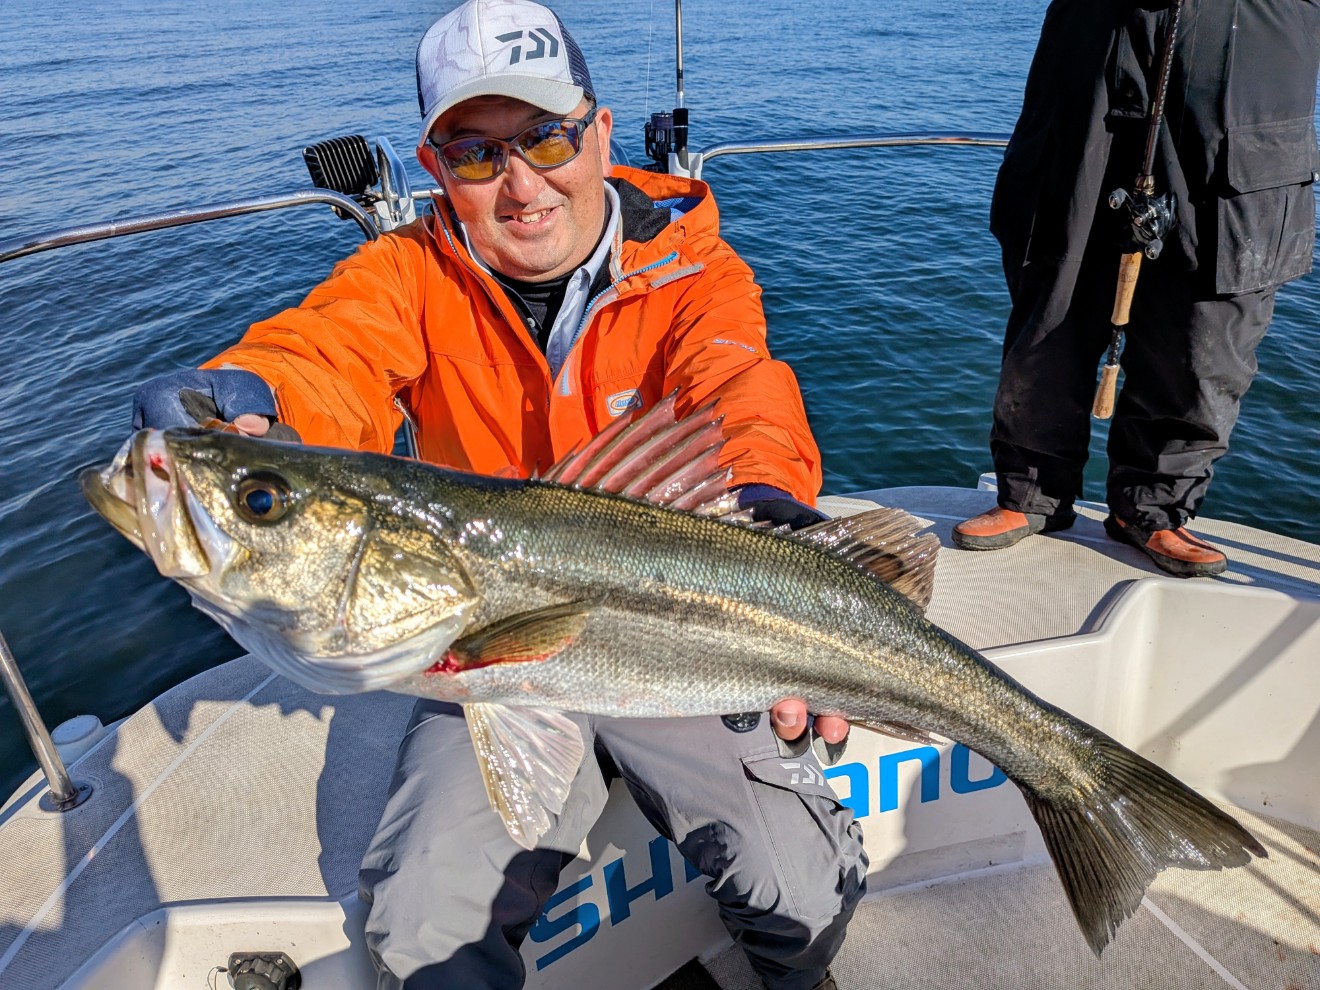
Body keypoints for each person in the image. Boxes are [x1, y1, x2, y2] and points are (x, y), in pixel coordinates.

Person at [130, 1, 864, 987]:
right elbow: (328, 356)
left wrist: (766, 502)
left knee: (803, 891)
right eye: (476, 154)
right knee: (425, 923)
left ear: (600, 133)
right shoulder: (405, 275)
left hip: (677, 629)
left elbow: (738, 390)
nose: (521, 184)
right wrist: (257, 397)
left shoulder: (695, 268)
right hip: (478, 653)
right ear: (434, 169)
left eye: (547, 137)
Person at [953, 0, 1320, 577]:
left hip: (1247, 82)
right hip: (1087, 86)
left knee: (1206, 338)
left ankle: (1153, 509)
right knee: (1051, 314)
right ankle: (1030, 493)